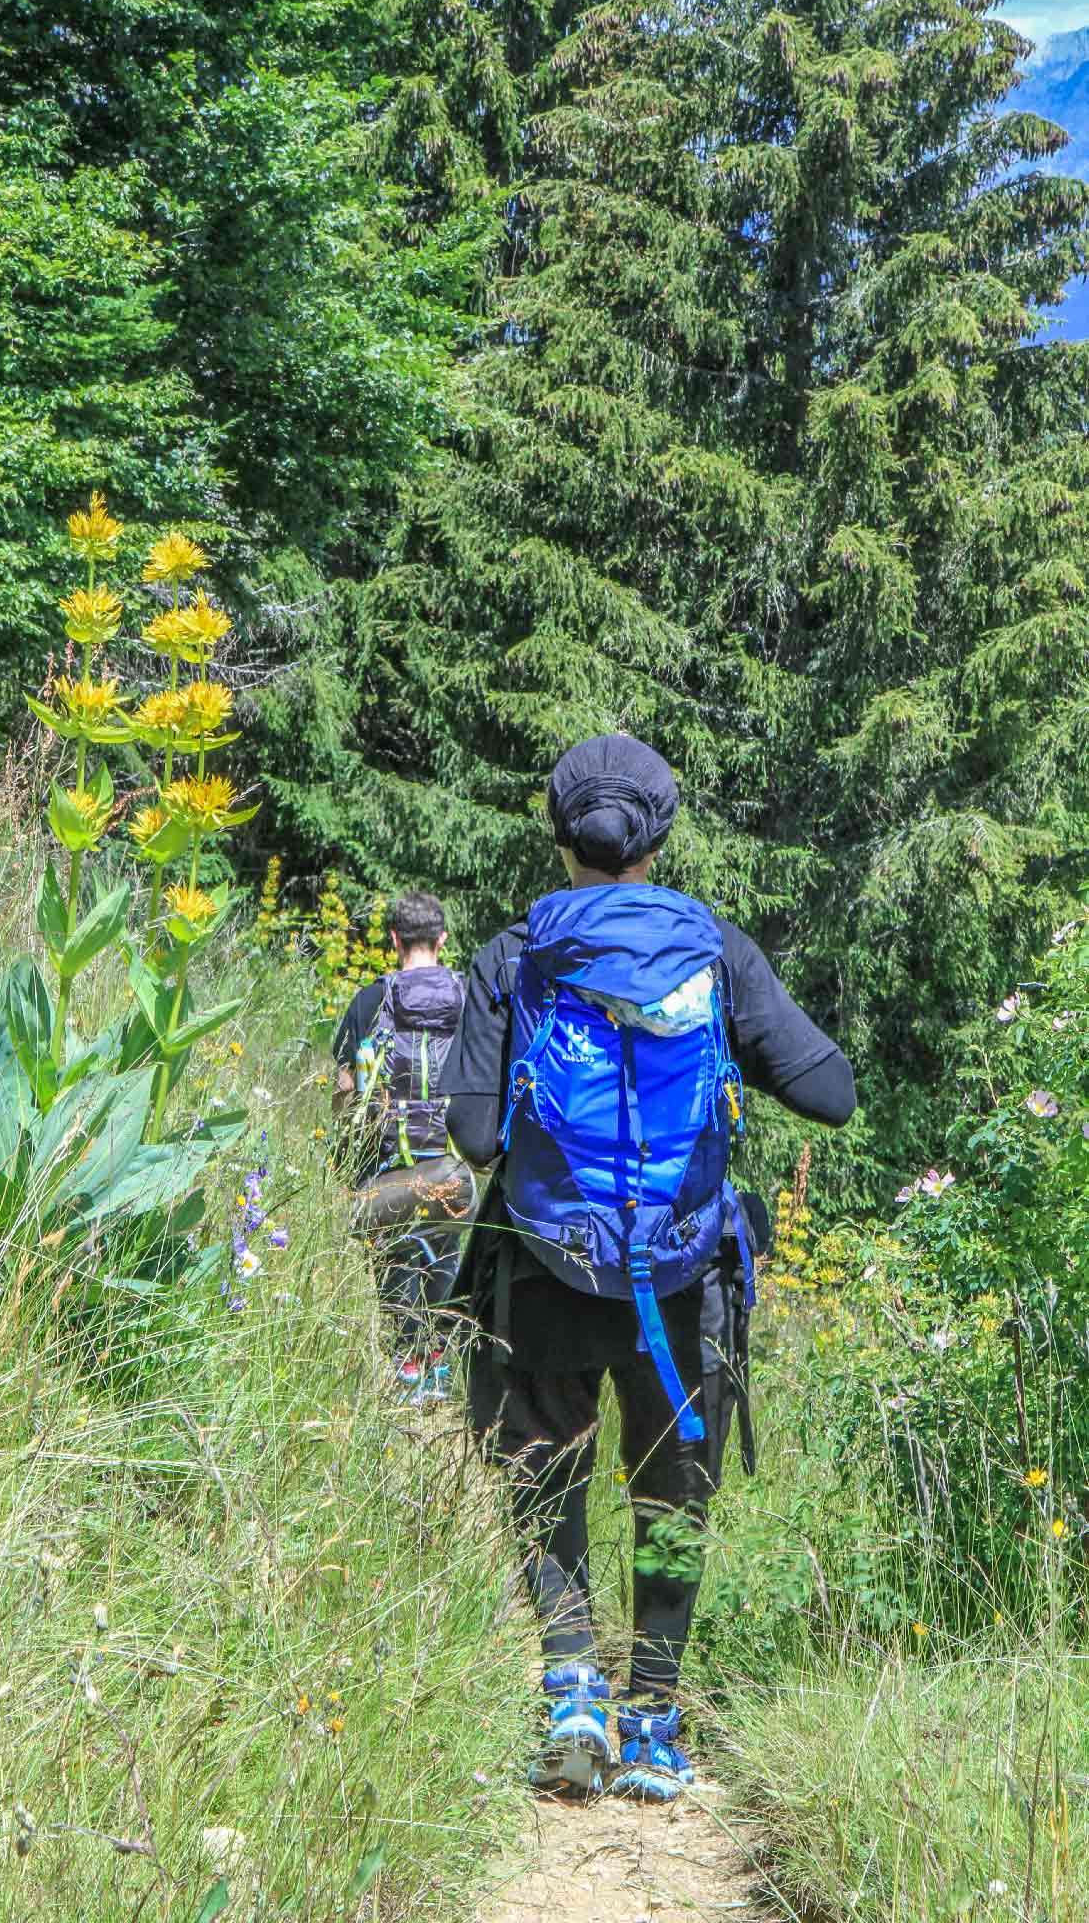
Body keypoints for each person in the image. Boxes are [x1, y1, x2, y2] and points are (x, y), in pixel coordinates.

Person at [439, 735, 856, 1798]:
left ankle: (570, 1689)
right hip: (683, 1281)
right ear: (662, 834)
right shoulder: (713, 948)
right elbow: (832, 1095)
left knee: (547, 1476)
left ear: (558, 831)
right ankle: (658, 1719)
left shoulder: (516, 952)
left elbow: (476, 1137)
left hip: (541, 1273)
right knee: (670, 1498)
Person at [332, 890, 477, 1398]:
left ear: (394, 939)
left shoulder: (370, 1001)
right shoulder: (467, 1000)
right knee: (442, 1255)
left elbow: (346, 1086)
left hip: (386, 1165)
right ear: (442, 940)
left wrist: (344, 1154)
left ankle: (405, 1368)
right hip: (451, 1164)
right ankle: (438, 1363)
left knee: (393, 1258)